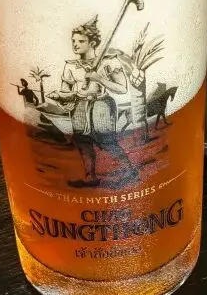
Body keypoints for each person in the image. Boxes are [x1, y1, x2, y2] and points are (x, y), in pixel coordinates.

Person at [45, 18, 139, 187]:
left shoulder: (109, 62)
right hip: (79, 106)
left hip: (101, 105)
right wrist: (60, 96)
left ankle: (129, 171)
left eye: (81, 41)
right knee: (83, 142)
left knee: (107, 141)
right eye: (73, 41)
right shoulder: (70, 66)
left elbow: (122, 88)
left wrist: (99, 79)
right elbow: (66, 92)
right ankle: (90, 177)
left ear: (93, 43)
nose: (75, 45)